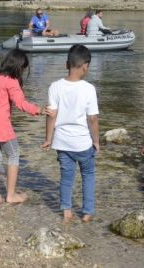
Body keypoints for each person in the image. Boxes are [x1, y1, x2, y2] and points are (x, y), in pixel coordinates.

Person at [0, 49, 45, 204]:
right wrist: (38, 110)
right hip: (0, 125)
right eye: (23, 68)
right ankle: (11, 195)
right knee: (14, 154)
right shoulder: (11, 81)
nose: (23, 71)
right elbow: (21, 103)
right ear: (18, 67)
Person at [41, 44, 99, 222]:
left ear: (67, 64)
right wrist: (96, 141)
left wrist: (48, 139)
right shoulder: (89, 89)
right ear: (86, 66)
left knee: (66, 178)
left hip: (62, 142)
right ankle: (87, 213)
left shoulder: (55, 86)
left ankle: (66, 212)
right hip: (82, 143)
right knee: (88, 176)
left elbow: (51, 116)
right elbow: (93, 119)